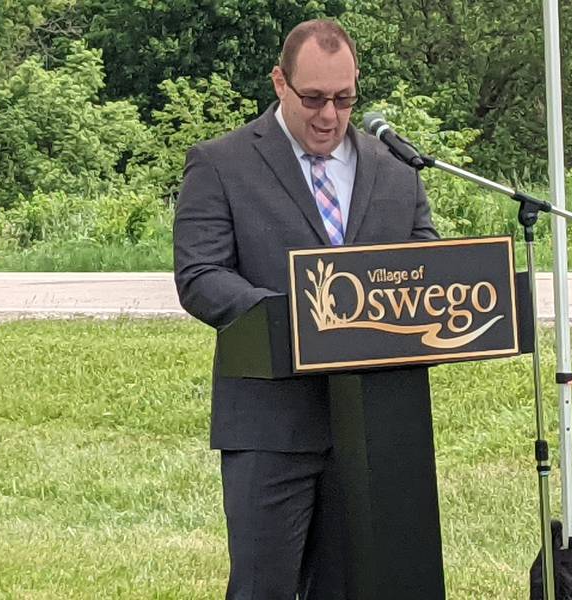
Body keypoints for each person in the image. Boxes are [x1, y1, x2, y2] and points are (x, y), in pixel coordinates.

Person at [173, 19, 438, 600]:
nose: (328, 116)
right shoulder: (220, 163)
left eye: (344, 99)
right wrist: (301, 321)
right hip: (270, 423)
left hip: (375, 427)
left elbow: (425, 265)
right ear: (279, 83)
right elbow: (199, 276)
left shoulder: (396, 168)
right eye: (313, 98)